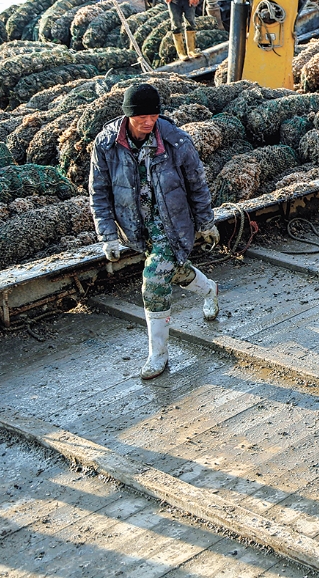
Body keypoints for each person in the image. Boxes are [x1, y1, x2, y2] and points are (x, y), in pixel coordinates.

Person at [89, 83, 221, 379]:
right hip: (137, 228)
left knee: (154, 281)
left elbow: (197, 185)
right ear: (127, 115)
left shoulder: (176, 141)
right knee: (174, 271)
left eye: (154, 115)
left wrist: (206, 222)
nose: (149, 122)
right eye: (141, 117)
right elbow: (99, 192)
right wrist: (108, 236)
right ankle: (210, 289)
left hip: (173, 225)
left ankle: (157, 354)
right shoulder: (106, 143)